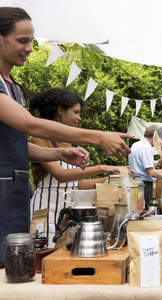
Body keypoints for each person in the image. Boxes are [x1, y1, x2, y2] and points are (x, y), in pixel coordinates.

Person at [0, 7, 132, 268]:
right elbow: (32, 125)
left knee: (14, 270)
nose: (29, 48)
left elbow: (16, 145)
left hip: (13, 196)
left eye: (31, 41)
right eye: (22, 40)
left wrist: (60, 153)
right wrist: (97, 136)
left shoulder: (14, 86)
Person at [28, 88, 124, 245]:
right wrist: (102, 167)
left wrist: (110, 178)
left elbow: (78, 184)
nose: (79, 118)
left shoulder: (71, 144)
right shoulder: (39, 139)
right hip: (45, 213)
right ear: (60, 111)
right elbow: (61, 175)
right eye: (76, 112)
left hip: (69, 215)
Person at [128, 124, 162, 210]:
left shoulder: (135, 145)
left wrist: (158, 172)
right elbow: (150, 172)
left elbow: (140, 168)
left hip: (134, 183)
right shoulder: (146, 147)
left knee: (137, 211)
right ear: (155, 136)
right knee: (147, 214)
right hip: (145, 186)